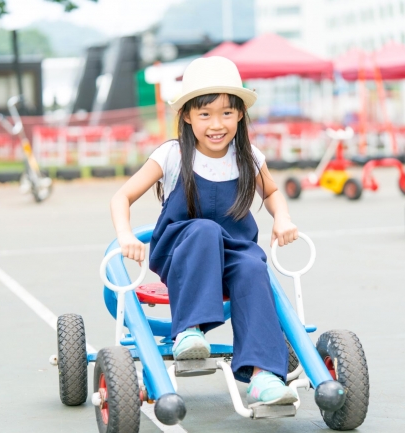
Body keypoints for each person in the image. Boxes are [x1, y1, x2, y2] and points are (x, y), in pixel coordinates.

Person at [110, 56, 299, 407]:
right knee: (205, 230)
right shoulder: (173, 155)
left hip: (233, 255)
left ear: (241, 114)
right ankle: (188, 331)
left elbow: (271, 192)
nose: (217, 124)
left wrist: (282, 218)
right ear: (186, 116)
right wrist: (125, 235)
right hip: (184, 253)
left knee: (253, 268)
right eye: (205, 114)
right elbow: (122, 196)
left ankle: (263, 377)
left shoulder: (249, 157)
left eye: (227, 113)